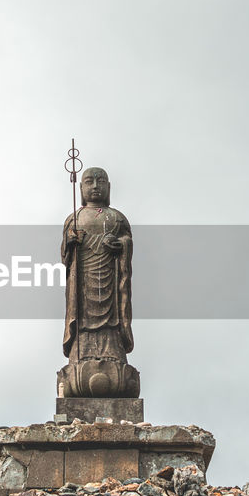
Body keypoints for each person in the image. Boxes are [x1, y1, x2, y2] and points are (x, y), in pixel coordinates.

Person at [58, 167, 139, 397]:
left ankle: (113, 355)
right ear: (82, 188)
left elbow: (127, 241)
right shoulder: (74, 219)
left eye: (100, 181)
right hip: (83, 285)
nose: (95, 186)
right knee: (82, 321)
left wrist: (121, 244)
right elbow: (65, 257)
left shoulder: (116, 218)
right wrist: (71, 242)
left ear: (108, 187)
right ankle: (80, 356)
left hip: (111, 284)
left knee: (112, 322)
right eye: (89, 182)